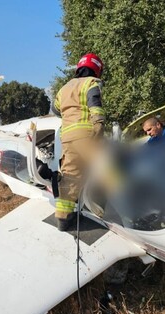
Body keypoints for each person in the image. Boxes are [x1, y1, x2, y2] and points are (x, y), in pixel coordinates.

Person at [52, 53, 105, 231]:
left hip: (67, 138)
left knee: (70, 177)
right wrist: (98, 122)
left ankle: (63, 219)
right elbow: (94, 102)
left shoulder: (63, 88)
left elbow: (55, 109)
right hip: (86, 134)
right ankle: (131, 204)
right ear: (97, 69)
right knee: (106, 167)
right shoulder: (91, 82)